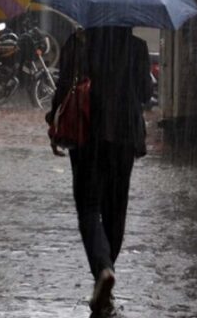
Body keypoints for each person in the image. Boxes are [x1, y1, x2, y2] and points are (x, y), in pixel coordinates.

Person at [46, 26, 152, 317]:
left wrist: (53, 125)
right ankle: (105, 281)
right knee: (116, 210)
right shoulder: (137, 47)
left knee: (89, 207)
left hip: (86, 131)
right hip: (124, 135)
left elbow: (64, 86)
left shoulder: (77, 42)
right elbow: (146, 91)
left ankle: (102, 269)